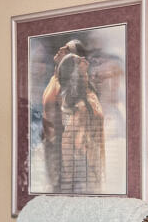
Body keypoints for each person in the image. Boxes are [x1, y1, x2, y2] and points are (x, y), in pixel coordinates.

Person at [39, 38, 106, 192]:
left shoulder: (78, 94)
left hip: (69, 154)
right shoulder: (54, 81)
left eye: (68, 50)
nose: (61, 48)